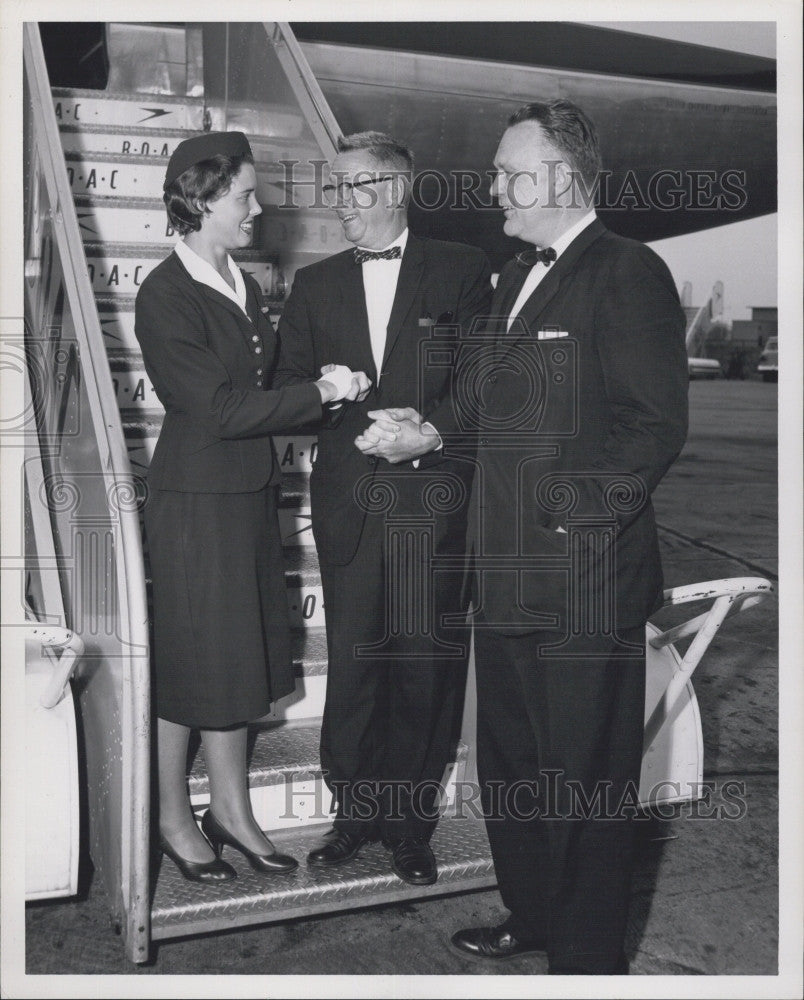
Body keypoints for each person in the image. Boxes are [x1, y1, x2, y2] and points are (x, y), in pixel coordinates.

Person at [450, 101, 688, 973]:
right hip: (505, 582)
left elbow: (650, 427)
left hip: (582, 583)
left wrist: (560, 517)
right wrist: (432, 433)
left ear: (560, 177)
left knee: (586, 783)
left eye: (508, 172)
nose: (493, 188)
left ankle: (588, 963)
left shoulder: (626, 271)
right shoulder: (512, 276)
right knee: (512, 769)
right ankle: (534, 915)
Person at [135, 131, 368, 884]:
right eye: (244, 195)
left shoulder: (243, 281)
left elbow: (266, 397)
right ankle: (172, 816)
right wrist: (321, 393)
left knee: (236, 660)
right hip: (196, 503)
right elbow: (219, 406)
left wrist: (323, 390)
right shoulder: (165, 295)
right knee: (189, 664)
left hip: (244, 497)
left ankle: (231, 811)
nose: (257, 208)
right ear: (202, 200)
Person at [273, 131, 492, 885]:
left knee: (421, 669)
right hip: (350, 507)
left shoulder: (463, 272)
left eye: (354, 190)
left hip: (431, 504)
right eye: (333, 191)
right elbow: (290, 390)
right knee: (359, 665)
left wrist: (427, 434)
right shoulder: (316, 283)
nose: (340, 207)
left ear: (396, 191)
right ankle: (354, 816)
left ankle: (410, 826)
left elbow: (480, 382)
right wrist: (327, 391)